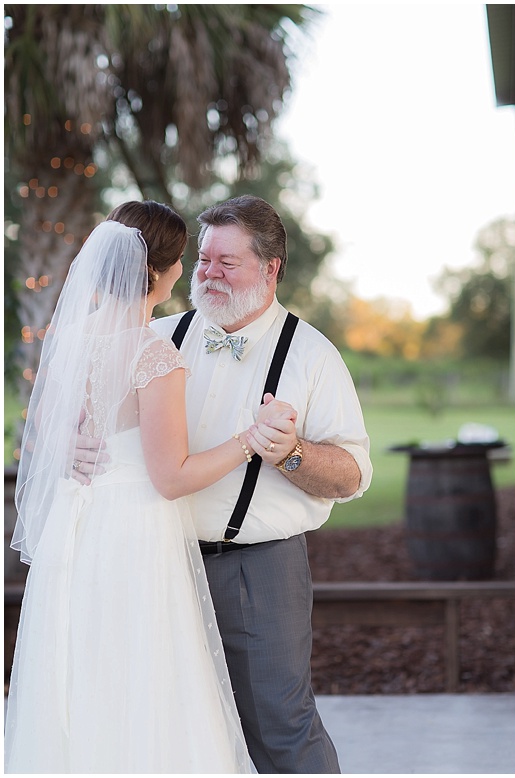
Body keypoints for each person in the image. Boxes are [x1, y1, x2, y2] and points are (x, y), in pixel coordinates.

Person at [5, 201, 273, 772]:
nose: (186, 271)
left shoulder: (70, 340)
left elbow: (50, 446)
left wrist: (69, 459)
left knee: (81, 671)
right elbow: (172, 477)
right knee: (144, 676)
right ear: (159, 272)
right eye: (181, 260)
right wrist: (250, 438)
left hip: (74, 531)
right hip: (133, 533)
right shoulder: (154, 354)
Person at [149, 194, 373, 774]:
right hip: (156, 564)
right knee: (168, 728)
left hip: (257, 570)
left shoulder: (312, 355)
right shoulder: (158, 339)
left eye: (227, 262)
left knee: (281, 727)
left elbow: (352, 474)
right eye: (203, 259)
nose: (207, 273)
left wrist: (292, 454)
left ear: (271, 268)